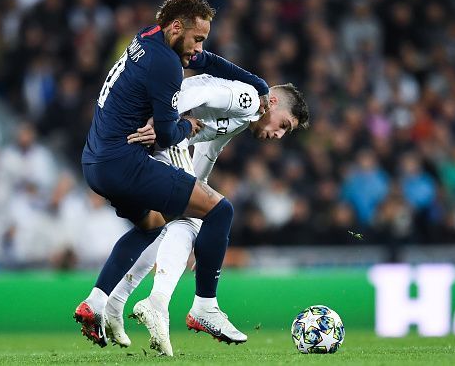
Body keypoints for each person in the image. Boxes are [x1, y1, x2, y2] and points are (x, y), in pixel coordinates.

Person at [74, 0, 270, 347]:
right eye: (197, 38)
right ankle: (204, 307)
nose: (198, 48)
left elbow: (208, 61)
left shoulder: (148, 37)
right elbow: (165, 134)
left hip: (95, 162)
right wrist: (188, 125)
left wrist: (258, 84)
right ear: (177, 27)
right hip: (124, 162)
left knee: (152, 224)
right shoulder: (166, 64)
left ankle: (97, 302)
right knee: (218, 209)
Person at [104, 74, 309, 355]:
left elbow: (208, 152)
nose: (279, 135)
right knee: (195, 217)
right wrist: (162, 120)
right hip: (157, 130)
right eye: (283, 124)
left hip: (157, 134)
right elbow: (196, 92)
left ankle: (116, 301)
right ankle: (170, 304)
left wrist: (192, 202)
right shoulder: (249, 100)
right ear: (272, 102)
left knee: (177, 219)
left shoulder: (241, 119)